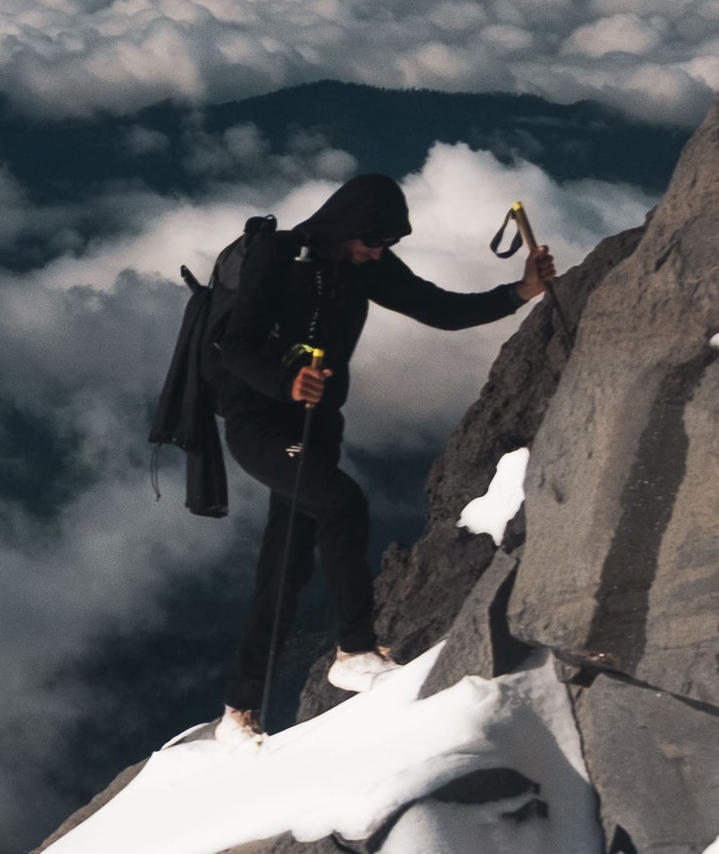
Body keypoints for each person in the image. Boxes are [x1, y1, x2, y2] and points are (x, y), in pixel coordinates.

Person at [204, 173, 552, 741]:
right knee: (342, 502)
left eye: (388, 243)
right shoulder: (278, 255)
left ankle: (237, 711)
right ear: (346, 226)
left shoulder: (363, 265)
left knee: (285, 569)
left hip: (317, 428)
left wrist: (519, 292)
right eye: (374, 240)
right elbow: (235, 347)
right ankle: (355, 650)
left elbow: (438, 308)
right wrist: (286, 384)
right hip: (260, 424)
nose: (379, 252)